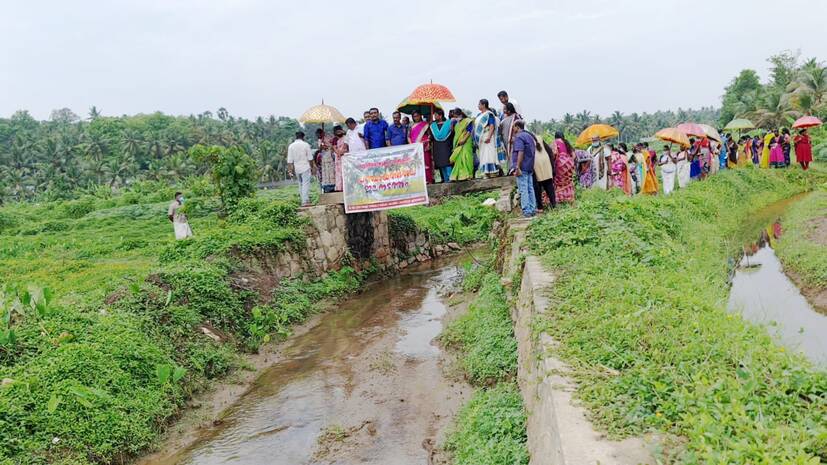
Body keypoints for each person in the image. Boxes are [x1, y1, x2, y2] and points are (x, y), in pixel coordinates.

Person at [511, 120, 536, 217]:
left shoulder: (519, 137)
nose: (513, 129)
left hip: (522, 166)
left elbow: (520, 152)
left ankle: (527, 211)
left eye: (513, 127)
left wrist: (517, 167)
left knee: (523, 189)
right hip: (530, 165)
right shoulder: (529, 136)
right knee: (530, 188)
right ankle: (532, 208)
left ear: (517, 127)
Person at [474, 99, 503, 177]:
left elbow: (492, 126)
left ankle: (492, 172)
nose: (478, 106)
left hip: (488, 136)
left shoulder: (489, 114)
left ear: (483, 105)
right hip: (481, 138)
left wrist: (489, 137)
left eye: (479, 104)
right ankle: (485, 172)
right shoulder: (479, 115)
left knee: (489, 154)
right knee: (483, 155)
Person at [287, 131, 314, 206]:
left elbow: (289, 161)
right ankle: (305, 201)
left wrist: (290, 171)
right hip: (305, 167)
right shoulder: (306, 145)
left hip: (297, 168)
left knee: (300, 184)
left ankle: (304, 200)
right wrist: (312, 167)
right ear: (303, 137)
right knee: (305, 184)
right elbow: (310, 158)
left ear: (296, 137)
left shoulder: (291, 146)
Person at [531, 132, 556, 211]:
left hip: (536, 164)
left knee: (537, 188)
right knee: (549, 186)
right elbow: (549, 151)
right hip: (546, 164)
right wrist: (552, 166)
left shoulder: (528, 140)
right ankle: (553, 204)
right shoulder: (540, 137)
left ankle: (540, 207)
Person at [449, 108, 475, 181]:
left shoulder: (467, 121)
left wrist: (464, 140)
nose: (455, 117)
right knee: (458, 159)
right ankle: (459, 176)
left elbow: (469, 131)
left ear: (460, 114)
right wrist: (452, 123)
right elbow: (452, 131)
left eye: (456, 116)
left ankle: (468, 175)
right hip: (458, 143)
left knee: (467, 157)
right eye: (454, 116)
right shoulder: (456, 123)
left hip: (466, 142)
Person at [408, 110, 434, 183]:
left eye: (417, 116)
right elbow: (408, 137)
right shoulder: (411, 126)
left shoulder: (425, 124)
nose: (416, 117)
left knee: (427, 162)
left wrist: (428, 143)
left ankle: (428, 180)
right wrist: (412, 145)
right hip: (415, 148)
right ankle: (420, 181)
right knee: (417, 164)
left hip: (425, 146)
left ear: (420, 116)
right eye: (414, 116)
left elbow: (430, 135)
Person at [430, 108, 454, 183]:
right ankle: (445, 179)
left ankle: (451, 178)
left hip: (446, 145)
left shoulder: (448, 123)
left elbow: (452, 134)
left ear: (440, 116)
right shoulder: (433, 126)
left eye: (436, 115)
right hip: (437, 146)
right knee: (441, 164)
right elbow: (431, 137)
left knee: (447, 163)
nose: (434, 117)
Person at [553, 131, 575, 204]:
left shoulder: (555, 142)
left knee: (559, 182)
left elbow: (555, 152)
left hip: (560, 164)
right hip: (569, 164)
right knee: (567, 181)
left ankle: (560, 198)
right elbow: (573, 155)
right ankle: (569, 198)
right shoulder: (566, 142)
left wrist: (554, 160)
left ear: (555, 136)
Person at [499, 103, 522, 167]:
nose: (503, 111)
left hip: (513, 141)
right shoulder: (504, 118)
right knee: (508, 156)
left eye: (505, 109)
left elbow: (520, 128)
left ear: (509, 110)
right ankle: (510, 169)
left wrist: (515, 137)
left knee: (513, 154)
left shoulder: (516, 117)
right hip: (506, 141)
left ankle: (514, 168)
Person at [315, 128, 336, 193]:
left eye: (319, 135)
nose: (318, 136)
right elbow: (320, 149)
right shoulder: (319, 140)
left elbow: (332, 146)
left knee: (331, 172)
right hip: (323, 159)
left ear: (322, 133)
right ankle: (327, 187)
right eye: (317, 135)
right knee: (325, 173)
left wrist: (327, 145)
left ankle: (333, 186)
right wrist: (321, 146)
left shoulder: (328, 137)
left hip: (330, 156)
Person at [332, 125, 347, 192]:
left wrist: (343, 151)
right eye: (337, 131)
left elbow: (346, 147)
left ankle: (346, 187)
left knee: (345, 172)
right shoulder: (335, 139)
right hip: (338, 159)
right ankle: (339, 188)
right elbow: (334, 148)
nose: (338, 132)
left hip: (345, 157)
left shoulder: (345, 138)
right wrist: (338, 153)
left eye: (339, 131)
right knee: (338, 173)